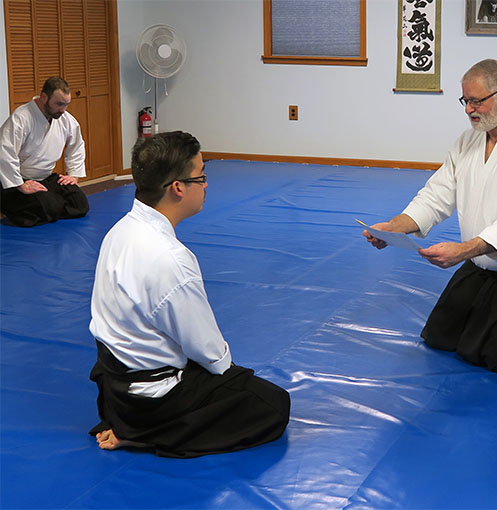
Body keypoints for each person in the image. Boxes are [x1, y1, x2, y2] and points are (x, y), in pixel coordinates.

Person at [364, 59, 497, 375]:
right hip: (482, 259)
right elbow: (437, 195)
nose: (469, 109)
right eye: (465, 101)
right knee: (440, 337)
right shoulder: (466, 141)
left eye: (477, 101)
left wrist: (464, 250)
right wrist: (395, 226)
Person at [88, 131, 290, 457]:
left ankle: (126, 422)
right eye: (202, 176)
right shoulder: (172, 259)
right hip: (152, 401)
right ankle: (145, 434)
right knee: (273, 403)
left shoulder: (119, 230)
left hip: (113, 389)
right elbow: (209, 352)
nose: (206, 185)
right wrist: (231, 379)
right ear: (178, 188)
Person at [0, 77, 89, 227]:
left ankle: (47, 205)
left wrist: (73, 175)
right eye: (59, 104)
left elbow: (77, 145)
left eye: (66, 105)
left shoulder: (65, 119)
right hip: (16, 182)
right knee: (49, 205)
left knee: (79, 203)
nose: (63, 110)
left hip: (45, 178)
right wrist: (21, 186)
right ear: (44, 97)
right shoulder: (21, 118)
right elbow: (5, 153)